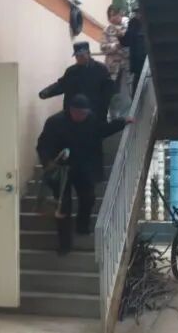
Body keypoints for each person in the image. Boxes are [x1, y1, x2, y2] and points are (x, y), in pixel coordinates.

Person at [37, 96, 131, 254]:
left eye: (84, 114)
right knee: (63, 206)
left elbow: (102, 130)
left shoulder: (91, 120)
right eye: (78, 113)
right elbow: (43, 145)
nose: (81, 117)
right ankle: (64, 244)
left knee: (88, 198)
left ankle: (82, 226)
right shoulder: (55, 122)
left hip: (84, 167)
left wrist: (122, 122)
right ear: (71, 110)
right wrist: (47, 162)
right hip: (61, 169)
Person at [39, 40, 116, 123]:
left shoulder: (101, 69)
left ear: (88, 54)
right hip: (74, 115)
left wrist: (102, 108)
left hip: (95, 115)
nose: (79, 58)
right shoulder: (71, 71)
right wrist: (47, 92)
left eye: (82, 55)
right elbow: (62, 85)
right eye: (77, 56)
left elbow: (108, 91)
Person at [101, 5, 131, 118]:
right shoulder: (107, 30)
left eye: (115, 14)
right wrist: (115, 45)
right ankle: (113, 118)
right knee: (112, 94)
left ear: (120, 14)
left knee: (127, 94)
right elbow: (103, 47)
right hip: (112, 68)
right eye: (110, 16)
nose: (113, 18)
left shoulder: (128, 27)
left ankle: (126, 118)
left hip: (127, 66)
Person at [120, 12, 148, 95]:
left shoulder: (134, 23)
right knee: (137, 84)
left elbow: (126, 41)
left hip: (141, 60)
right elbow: (126, 41)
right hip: (139, 60)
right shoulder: (133, 23)